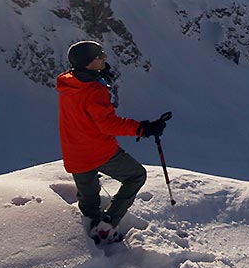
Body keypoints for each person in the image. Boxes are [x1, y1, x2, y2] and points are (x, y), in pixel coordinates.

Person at [57, 40, 168, 245]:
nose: (104, 58)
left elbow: (85, 108)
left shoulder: (68, 83)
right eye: (100, 56)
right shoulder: (93, 90)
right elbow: (107, 124)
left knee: (89, 204)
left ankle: (94, 239)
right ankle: (108, 226)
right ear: (89, 62)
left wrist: (97, 77)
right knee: (136, 176)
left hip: (75, 152)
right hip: (98, 151)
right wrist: (143, 128)